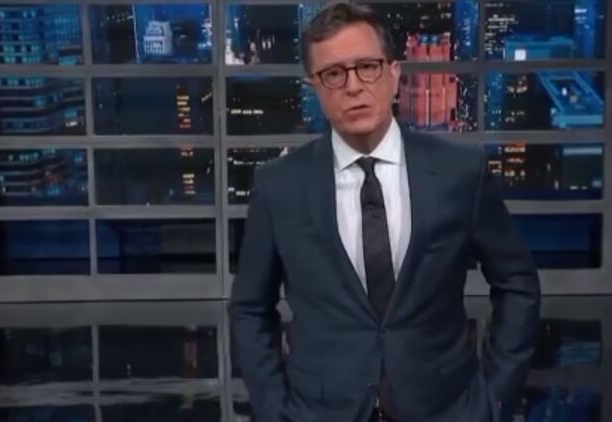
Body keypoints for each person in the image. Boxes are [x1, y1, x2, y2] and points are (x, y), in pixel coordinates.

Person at [228, 3, 541, 422]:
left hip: (445, 409)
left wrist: (493, 400)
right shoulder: (278, 186)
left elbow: (518, 284)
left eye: (367, 67)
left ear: (394, 74)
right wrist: (273, 409)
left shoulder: (460, 173)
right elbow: (250, 309)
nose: (353, 86)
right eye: (334, 74)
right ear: (315, 86)